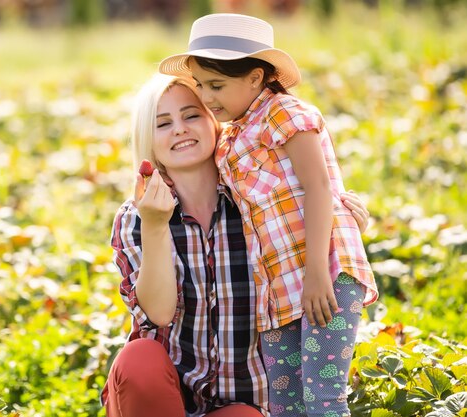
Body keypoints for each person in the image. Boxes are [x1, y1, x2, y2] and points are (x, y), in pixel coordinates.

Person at [102, 72, 371, 417]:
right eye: (163, 123)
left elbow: (302, 237)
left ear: (216, 121)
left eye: (192, 115)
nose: (180, 129)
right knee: (139, 361)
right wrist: (155, 227)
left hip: (239, 401)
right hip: (162, 398)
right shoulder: (137, 215)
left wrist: (341, 225)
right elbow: (159, 313)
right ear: (147, 140)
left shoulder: (257, 206)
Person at [158, 13, 379, 417]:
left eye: (217, 85)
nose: (206, 98)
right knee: (285, 405)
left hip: (323, 272)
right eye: (201, 86)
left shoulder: (285, 114)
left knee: (324, 398)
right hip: (275, 290)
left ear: (256, 77)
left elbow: (318, 187)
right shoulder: (230, 138)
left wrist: (318, 269)